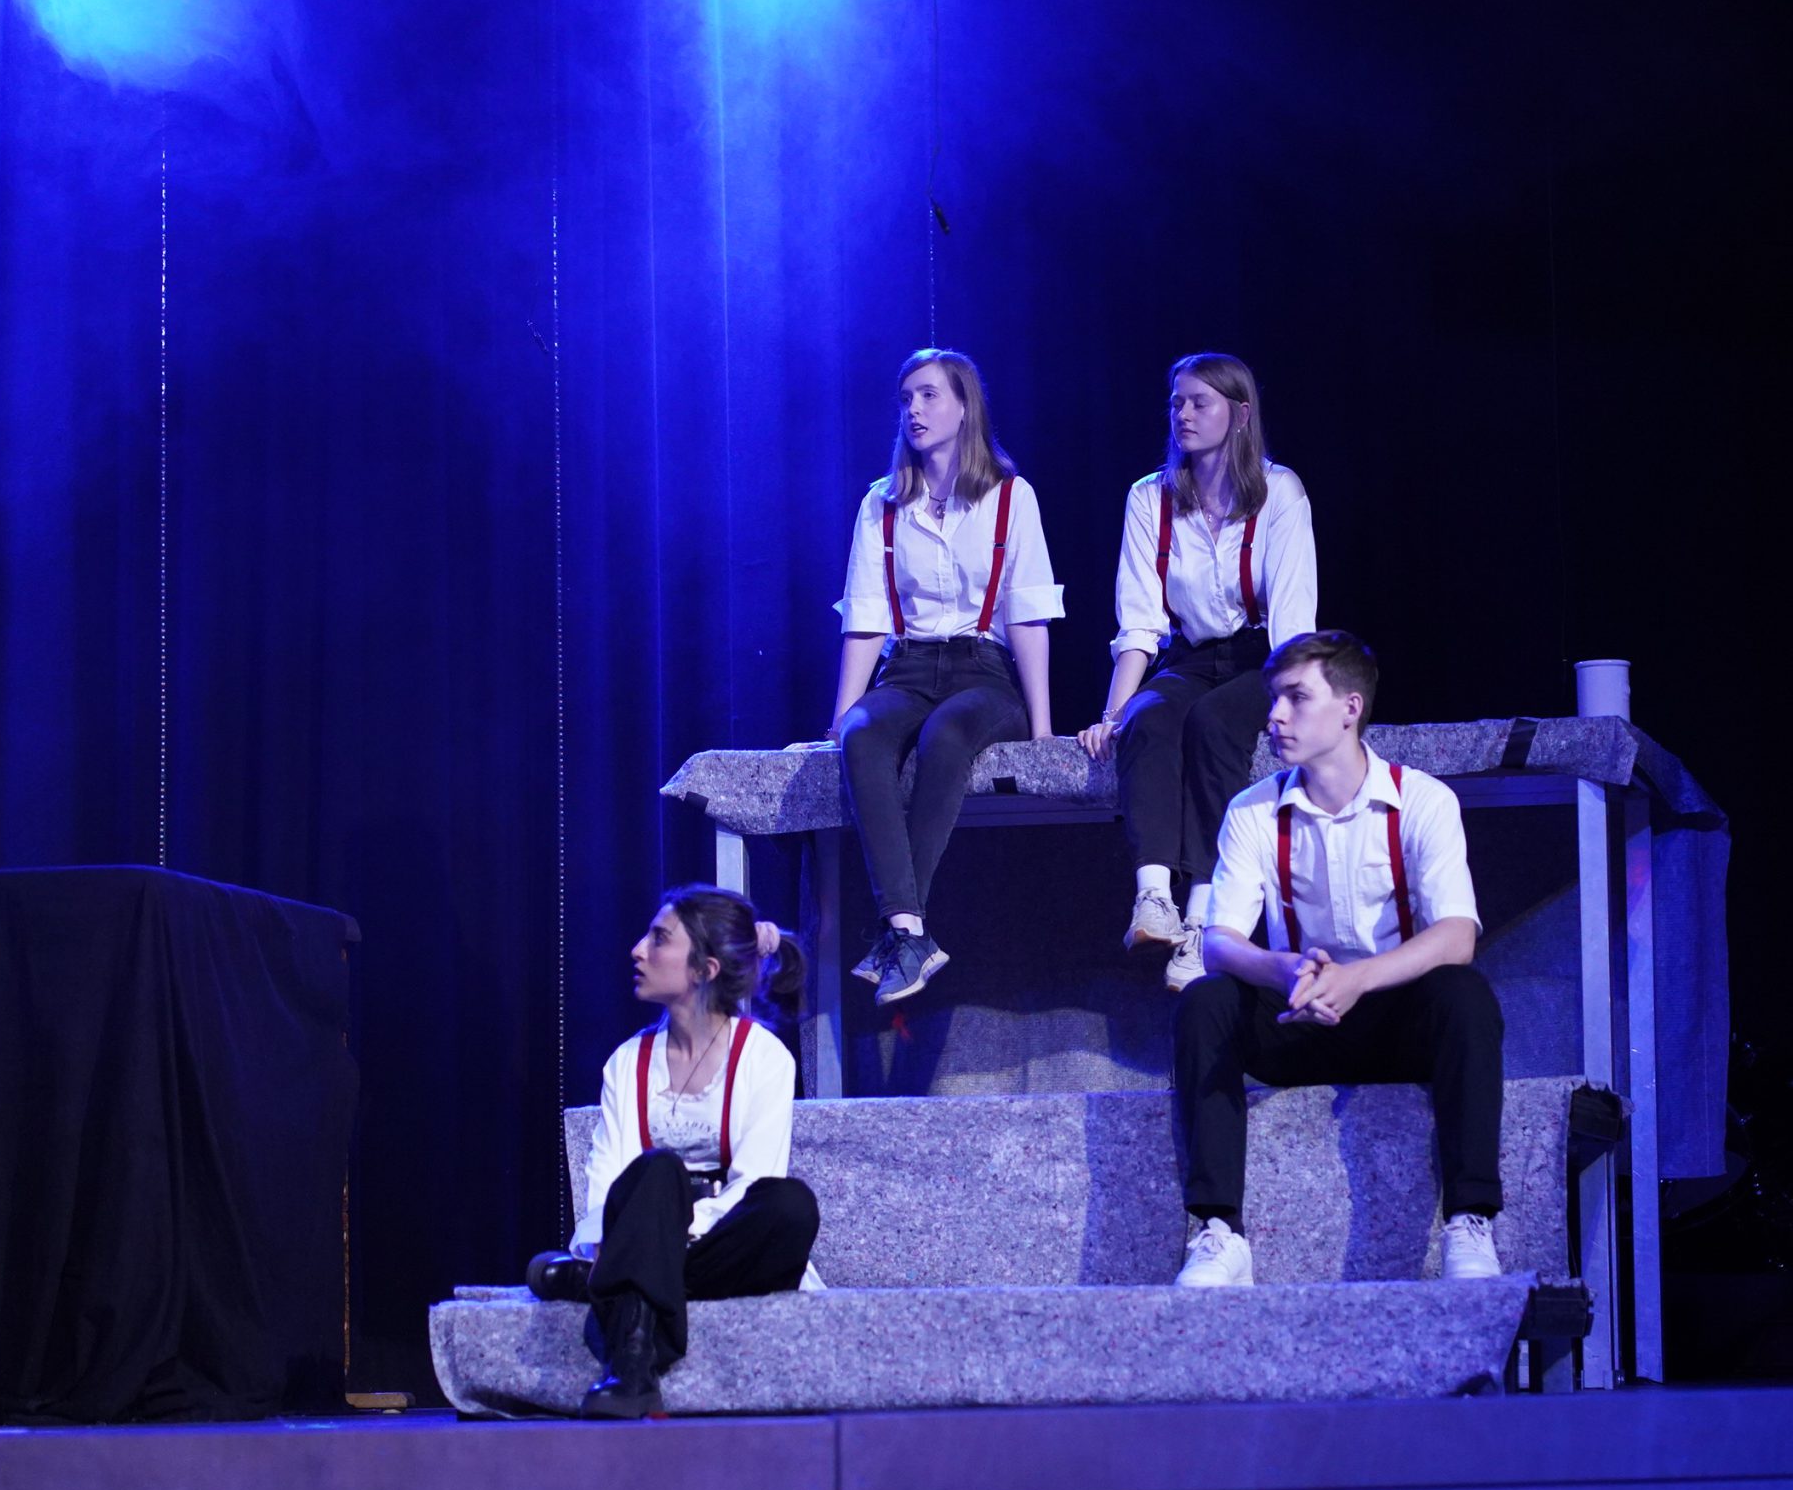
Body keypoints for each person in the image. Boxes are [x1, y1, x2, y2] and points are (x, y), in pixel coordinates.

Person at [1170, 630, 1505, 1287]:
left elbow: (1457, 934)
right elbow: (1218, 942)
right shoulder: (1253, 810)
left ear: (1350, 708)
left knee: (1465, 995)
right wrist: (1285, 970)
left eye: (1296, 698)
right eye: (1274, 698)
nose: (1275, 716)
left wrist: (1358, 979)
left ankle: (1470, 1222)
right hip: (1298, 1021)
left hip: (1394, 1024)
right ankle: (1218, 1231)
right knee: (1206, 1001)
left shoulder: (1423, 799)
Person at [525, 885, 821, 1419]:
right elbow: (606, 1185)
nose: (638, 950)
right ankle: (632, 1369)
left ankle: (602, 1285)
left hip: (717, 1240)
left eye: (659, 939)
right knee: (658, 1171)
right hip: (645, 1218)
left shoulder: (763, 1058)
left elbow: (754, 1181)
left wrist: (666, 1240)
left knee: (790, 1206)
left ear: (704, 970)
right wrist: (637, 1231)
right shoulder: (627, 1062)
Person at [826, 348, 1062, 1003]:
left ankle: (902, 931)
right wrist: (840, 716)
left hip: (981, 673)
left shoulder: (1010, 497)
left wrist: (1043, 729)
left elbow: (1029, 616)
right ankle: (908, 929)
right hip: (906, 670)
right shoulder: (881, 503)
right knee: (862, 736)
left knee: (947, 734)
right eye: (906, 399)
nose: (915, 410)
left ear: (964, 407)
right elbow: (866, 619)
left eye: (929, 395)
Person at [1078, 354, 1316, 992]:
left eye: (1199, 403)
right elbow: (1139, 624)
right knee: (1149, 718)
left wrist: (1293, 700)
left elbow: (1293, 619)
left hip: (1262, 659)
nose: (1183, 414)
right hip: (1188, 656)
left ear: (1239, 414)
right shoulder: (1149, 497)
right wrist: (1113, 714)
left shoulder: (1279, 492)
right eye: (1177, 403)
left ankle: (1206, 920)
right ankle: (1154, 896)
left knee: (1213, 724)